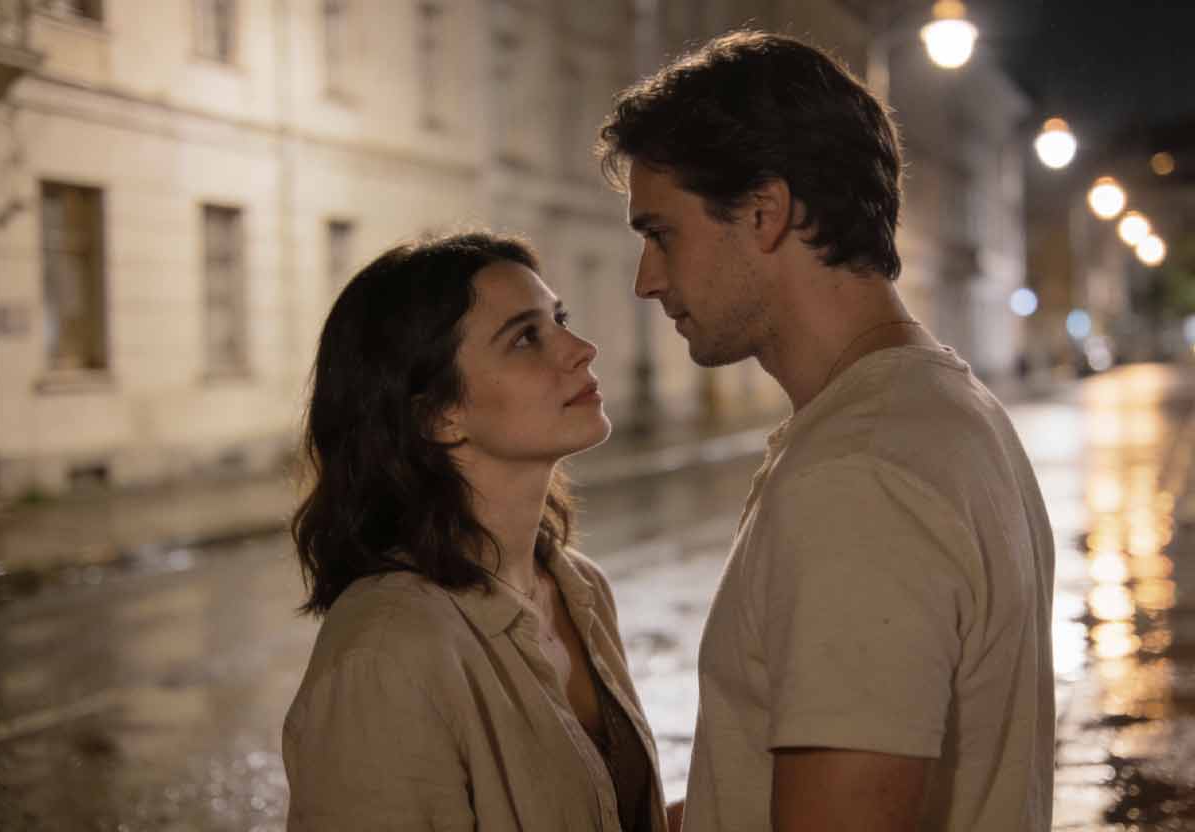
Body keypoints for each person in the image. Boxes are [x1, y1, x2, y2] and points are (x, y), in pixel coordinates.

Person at [597, 30, 1055, 832]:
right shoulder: (948, 410)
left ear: (765, 212)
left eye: (660, 233)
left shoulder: (859, 473)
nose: (646, 280)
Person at [283, 232, 666, 831]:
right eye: (525, 338)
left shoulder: (579, 589)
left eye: (559, 320)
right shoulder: (384, 655)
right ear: (438, 416)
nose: (581, 349)